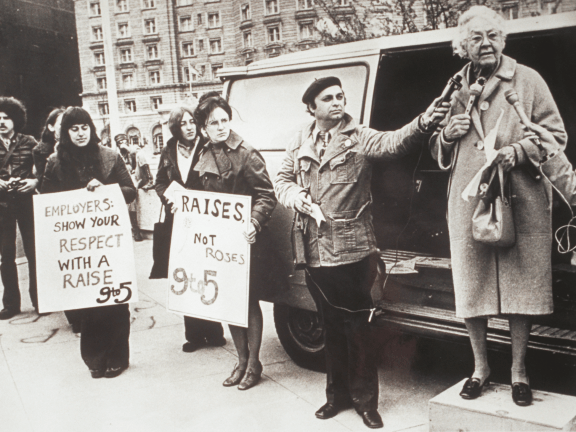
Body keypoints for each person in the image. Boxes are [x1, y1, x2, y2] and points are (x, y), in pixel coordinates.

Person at [274, 77, 448, 428]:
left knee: (360, 327)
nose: (337, 102)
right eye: (328, 98)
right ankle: (335, 397)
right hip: (314, 248)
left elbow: (394, 142)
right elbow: (281, 179)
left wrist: (426, 120)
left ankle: (366, 401)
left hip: (354, 249)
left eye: (340, 96)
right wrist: (297, 197)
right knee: (330, 324)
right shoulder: (298, 140)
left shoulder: (359, 136)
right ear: (312, 107)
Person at [430, 6, 567, 407]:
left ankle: (519, 372)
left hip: (519, 197)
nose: (485, 43)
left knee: (519, 283)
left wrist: (519, 151)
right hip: (470, 200)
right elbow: (437, 144)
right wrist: (446, 135)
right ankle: (480, 369)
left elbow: (555, 135)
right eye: (476, 38)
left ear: (504, 40)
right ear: (462, 46)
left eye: (492, 35)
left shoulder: (528, 80)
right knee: (473, 284)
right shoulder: (455, 87)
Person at [41, 107, 136, 379]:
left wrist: (107, 191)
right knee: (88, 305)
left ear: (91, 129)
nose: (80, 133)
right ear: (65, 132)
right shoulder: (55, 162)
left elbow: (131, 191)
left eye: (84, 127)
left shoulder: (109, 156)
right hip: (78, 248)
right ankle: (95, 358)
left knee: (116, 302)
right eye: (74, 129)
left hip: (109, 243)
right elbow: (47, 199)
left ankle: (118, 357)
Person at [193, 95, 277, 391]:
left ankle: (254, 363)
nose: (220, 127)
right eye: (213, 123)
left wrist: (254, 221)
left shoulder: (247, 153)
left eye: (224, 120)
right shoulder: (203, 152)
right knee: (229, 301)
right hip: (218, 242)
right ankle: (240, 361)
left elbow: (267, 195)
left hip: (246, 240)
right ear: (203, 128)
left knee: (248, 300)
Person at [154, 103, 227, 353]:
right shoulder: (168, 149)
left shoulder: (208, 146)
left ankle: (214, 330)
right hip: (178, 221)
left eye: (192, 122)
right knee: (185, 275)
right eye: (183, 123)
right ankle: (194, 334)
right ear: (176, 126)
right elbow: (160, 182)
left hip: (205, 220)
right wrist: (170, 198)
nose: (189, 127)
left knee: (207, 272)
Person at [0, 97, 39, 319]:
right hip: (2, 204)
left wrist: (34, 182)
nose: (2, 122)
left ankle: (40, 299)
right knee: (6, 254)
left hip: (26, 201)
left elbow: (43, 169)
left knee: (34, 251)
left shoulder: (29, 142)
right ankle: (11, 304)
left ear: (16, 119)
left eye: (6, 117)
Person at [116, 134, 154, 241]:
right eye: (119, 143)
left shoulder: (137, 152)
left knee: (132, 200)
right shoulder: (119, 155)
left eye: (123, 141)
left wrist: (149, 180)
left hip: (141, 180)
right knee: (129, 202)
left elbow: (144, 166)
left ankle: (136, 230)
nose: (122, 144)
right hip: (130, 181)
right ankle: (134, 228)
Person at [33, 107, 65, 191]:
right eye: (62, 124)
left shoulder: (80, 146)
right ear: (51, 127)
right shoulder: (40, 151)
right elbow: (42, 184)